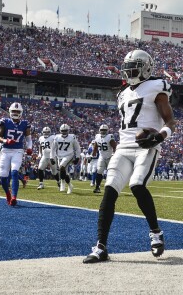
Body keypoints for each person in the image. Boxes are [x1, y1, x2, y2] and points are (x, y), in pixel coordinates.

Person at [83, 49, 176, 264]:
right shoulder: (122, 94)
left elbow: (170, 122)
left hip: (146, 146)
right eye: (127, 68)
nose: (129, 72)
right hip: (123, 146)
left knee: (137, 185)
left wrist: (159, 137)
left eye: (134, 67)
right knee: (109, 191)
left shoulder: (157, 86)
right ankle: (100, 246)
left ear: (146, 68)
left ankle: (155, 233)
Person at [0, 102, 32, 206]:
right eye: (14, 111)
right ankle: (8, 193)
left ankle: (14, 197)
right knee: (3, 176)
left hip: (18, 151)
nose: (15, 113)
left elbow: (29, 139)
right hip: (5, 151)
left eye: (17, 111)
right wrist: (5, 141)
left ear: (21, 112)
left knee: (15, 172)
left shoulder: (25, 124)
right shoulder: (5, 122)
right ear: (10, 112)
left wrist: (29, 148)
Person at [53, 124, 81, 194]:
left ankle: (62, 182)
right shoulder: (57, 137)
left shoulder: (72, 137)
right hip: (60, 156)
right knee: (64, 172)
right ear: (60, 131)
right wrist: (51, 157)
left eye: (65, 131)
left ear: (68, 130)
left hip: (69, 155)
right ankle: (70, 185)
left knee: (62, 167)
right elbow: (53, 149)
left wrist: (77, 157)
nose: (64, 132)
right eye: (63, 131)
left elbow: (77, 148)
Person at [92, 124, 116, 193]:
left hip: (110, 156)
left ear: (107, 130)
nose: (103, 131)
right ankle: (97, 187)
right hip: (102, 156)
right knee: (99, 171)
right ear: (99, 130)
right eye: (102, 130)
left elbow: (114, 146)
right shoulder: (97, 136)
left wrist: (114, 154)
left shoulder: (109, 136)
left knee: (111, 172)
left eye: (104, 130)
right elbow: (96, 145)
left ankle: (112, 187)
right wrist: (94, 152)